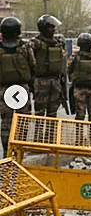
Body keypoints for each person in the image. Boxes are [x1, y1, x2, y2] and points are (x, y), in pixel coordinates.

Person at [0, 17, 35, 153]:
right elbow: (32, 65)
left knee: (6, 123)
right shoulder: (25, 47)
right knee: (22, 122)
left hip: (4, 89)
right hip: (21, 89)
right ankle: (19, 152)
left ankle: (6, 152)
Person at [31, 14, 66, 117]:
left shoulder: (58, 42)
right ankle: (38, 133)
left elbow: (63, 62)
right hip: (41, 82)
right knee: (40, 113)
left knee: (53, 112)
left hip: (55, 81)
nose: (54, 29)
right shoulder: (35, 43)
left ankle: (51, 133)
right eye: (51, 27)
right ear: (44, 28)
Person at [68, 33, 91, 122]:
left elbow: (69, 70)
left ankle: (80, 135)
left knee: (80, 115)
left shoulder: (75, 57)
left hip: (80, 88)